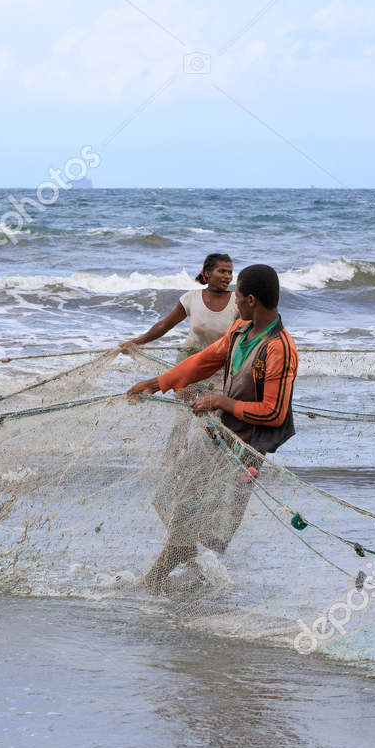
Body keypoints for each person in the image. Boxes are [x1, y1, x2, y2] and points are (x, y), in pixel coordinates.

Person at [126, 264, 297, 592]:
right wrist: (155, 383)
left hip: (243, 451)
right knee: (171, 498)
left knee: (202, 521)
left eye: (237, 292)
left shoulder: (280, 348)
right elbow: (203, 361)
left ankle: (153, 583)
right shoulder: (241, 331)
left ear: (250, 300)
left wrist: (220, 401)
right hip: (217, 436)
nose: (232, 298)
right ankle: (195, 573)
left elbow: (274, 413)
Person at [121, 252, 238, 360]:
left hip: (219, 363)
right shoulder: (191, 298)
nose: (227, 276)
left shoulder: (237, 301)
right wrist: (136, 342)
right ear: (208, 273)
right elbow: (164, 325)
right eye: (222, 271)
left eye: (230, 272)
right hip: (189, 360)